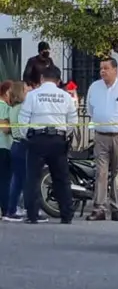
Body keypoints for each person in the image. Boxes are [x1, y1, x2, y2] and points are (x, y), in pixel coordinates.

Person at [19, 64, 77, 224]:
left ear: (42, 79)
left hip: (37, 140)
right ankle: (66, 214)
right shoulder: (65, 96)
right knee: (61, 178)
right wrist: (64, 134)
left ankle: (32, 214)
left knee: (33, 178)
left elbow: (23, 120)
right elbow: (73, 121)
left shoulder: (33, 95)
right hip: (58, 141)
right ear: (58, 81)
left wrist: (27, 137)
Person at [85, 57, 118, 221]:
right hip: (101, 135)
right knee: (101, 172)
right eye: (101, 68)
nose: (103, 71)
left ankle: (117, 208)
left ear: (115, 70)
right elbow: (90, 109)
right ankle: (99, 208)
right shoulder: (94, 87)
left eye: (106, 68)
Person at [2, 81, 30, 221]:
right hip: (21, 144)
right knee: (22, 178)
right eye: (25, 89)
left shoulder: (13, 108)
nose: (28, 91)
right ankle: (15, 209)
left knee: (18, 178)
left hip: (15, 145)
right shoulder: (21, 108)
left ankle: (11, 209)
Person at [0, 81, 12, 218]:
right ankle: (5, 208)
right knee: (5, 179)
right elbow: (4, 127)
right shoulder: (3, 107)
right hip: (3, 146)